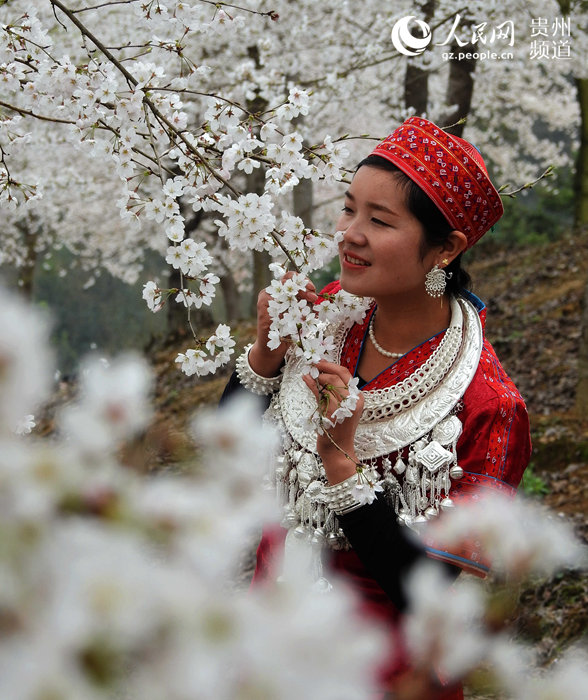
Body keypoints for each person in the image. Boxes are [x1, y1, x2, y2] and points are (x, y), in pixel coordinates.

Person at [220, 116, 532, 699]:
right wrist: (264, 356)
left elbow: (434, 594)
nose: (348, 234)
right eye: (348, 208)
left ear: (446, 249)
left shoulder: (489, 407)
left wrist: (342, 470)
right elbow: (221, 447)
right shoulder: (328, 317)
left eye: (379, 220)